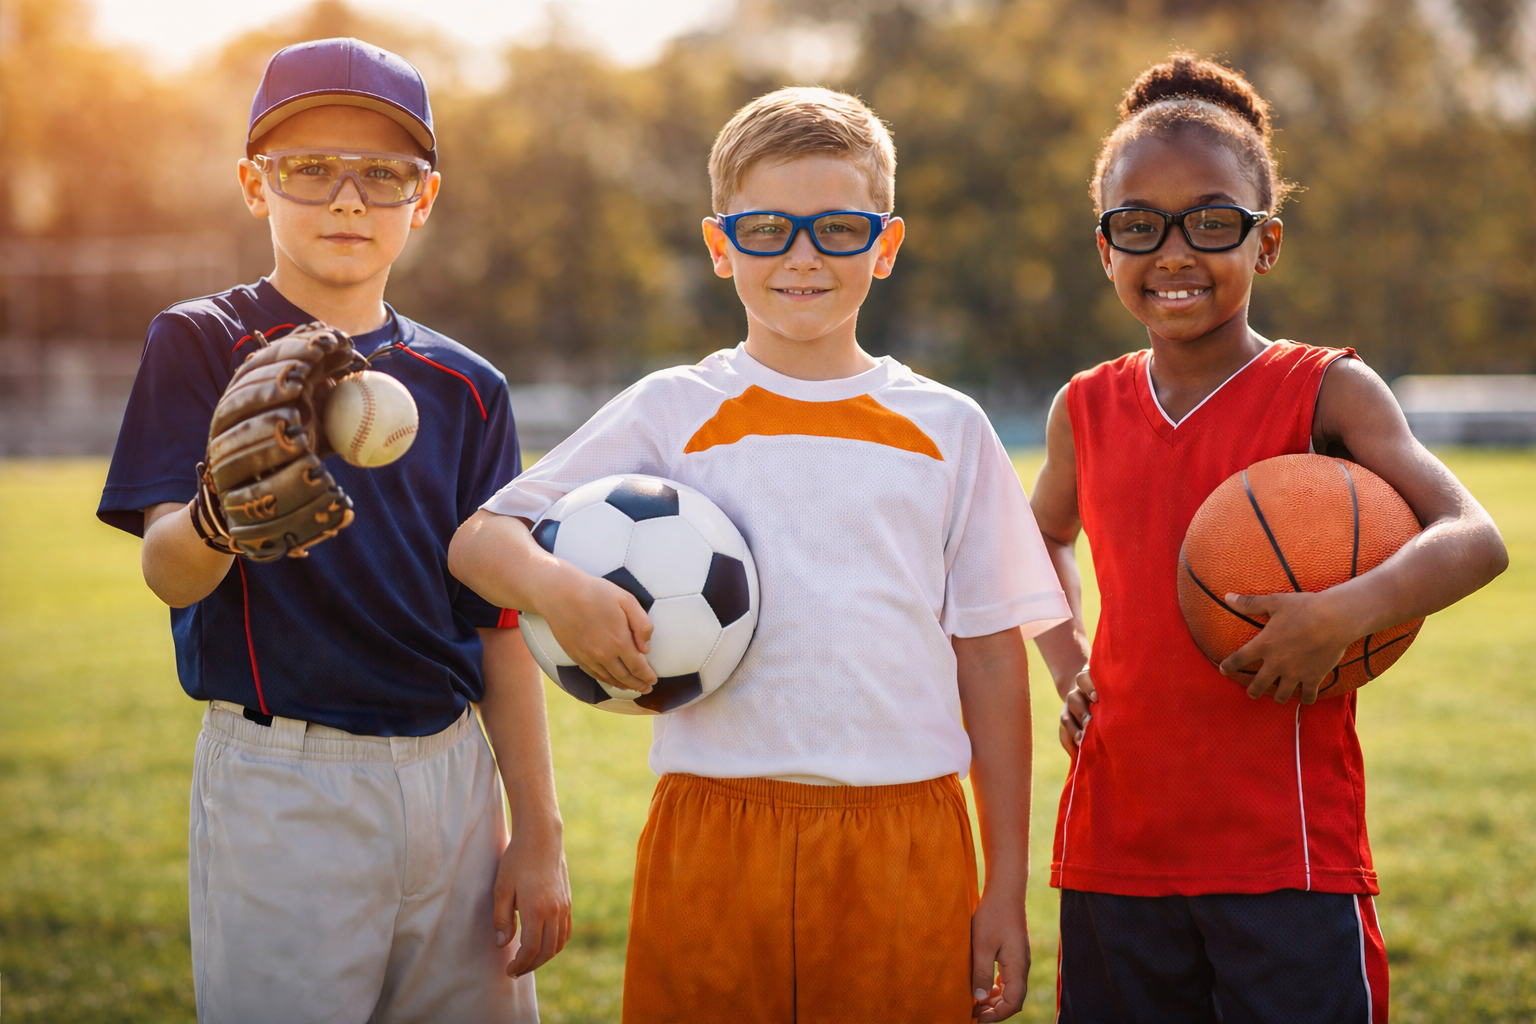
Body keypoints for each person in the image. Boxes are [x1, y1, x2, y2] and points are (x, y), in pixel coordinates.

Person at [449, 87, 1070, 1023]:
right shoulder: (673, 409)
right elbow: (476, 542)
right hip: (711, 827)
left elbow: (990, 661)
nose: (804, 257)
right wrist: (555, 587)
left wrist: (1006, 892)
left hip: (905, 836)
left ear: (887, 244)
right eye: (769, 228)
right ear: (720, 243)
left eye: (839, 229)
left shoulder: (950, 428)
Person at [97, 37, 569, 1023]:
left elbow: (497, 626)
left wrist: (539, 828)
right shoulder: (201, 341)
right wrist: (224, 516)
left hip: (453, 782)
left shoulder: (470, 388)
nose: (348, 199)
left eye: (382, 174)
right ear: (254, 185)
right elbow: (167, 573)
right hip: (284, 784)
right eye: (309, 170)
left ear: (423, 198)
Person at [1030, 53, 1509, 1022]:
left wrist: (1346, 612)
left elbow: (1474, 535)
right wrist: (1067, 657)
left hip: (1285, 852)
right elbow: (1035, 539)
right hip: (1116, 843)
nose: (1173, 252)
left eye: (1212, 222)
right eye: (1139, 226)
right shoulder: (1085, 407)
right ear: (1105, 246)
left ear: (1267, 242)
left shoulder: (1326, 389)